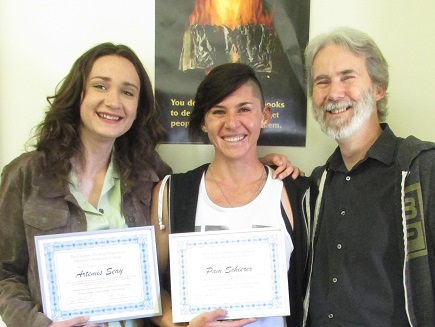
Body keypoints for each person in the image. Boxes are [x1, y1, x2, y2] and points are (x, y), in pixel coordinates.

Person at [0, 43, 299, 327]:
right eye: (100, 86)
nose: (114, 102)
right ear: (77, 93)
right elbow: (4, 274)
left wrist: (258, 162)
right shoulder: (26, 175)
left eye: (127, 92)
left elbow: (158, 278)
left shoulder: (147, 173)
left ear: (138, 106)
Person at [150, 63, 315, 327]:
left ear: (265, 115)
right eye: (218, 111)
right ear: (204, 121)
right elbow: (151, 288)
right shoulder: (171, 194)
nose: (231, 123)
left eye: (244, 109)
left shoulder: (297, 194)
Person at [303, 26, 435, 326]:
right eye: (322, 82)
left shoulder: (423, 170)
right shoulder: (317, 185)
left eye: (347, 77)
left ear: (378, 88)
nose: (334, 93)